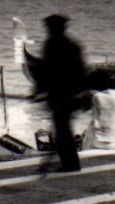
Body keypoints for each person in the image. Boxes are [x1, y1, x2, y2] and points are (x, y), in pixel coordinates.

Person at [34, 14, 86, 172]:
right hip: (70, 94)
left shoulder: (51, 45)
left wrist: (39, 90)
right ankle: (69, 162)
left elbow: (45, 70)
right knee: (63, 128)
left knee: (62, 129)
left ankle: (70, 164)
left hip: (59, 94)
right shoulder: (73, 45)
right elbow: (81, 72)